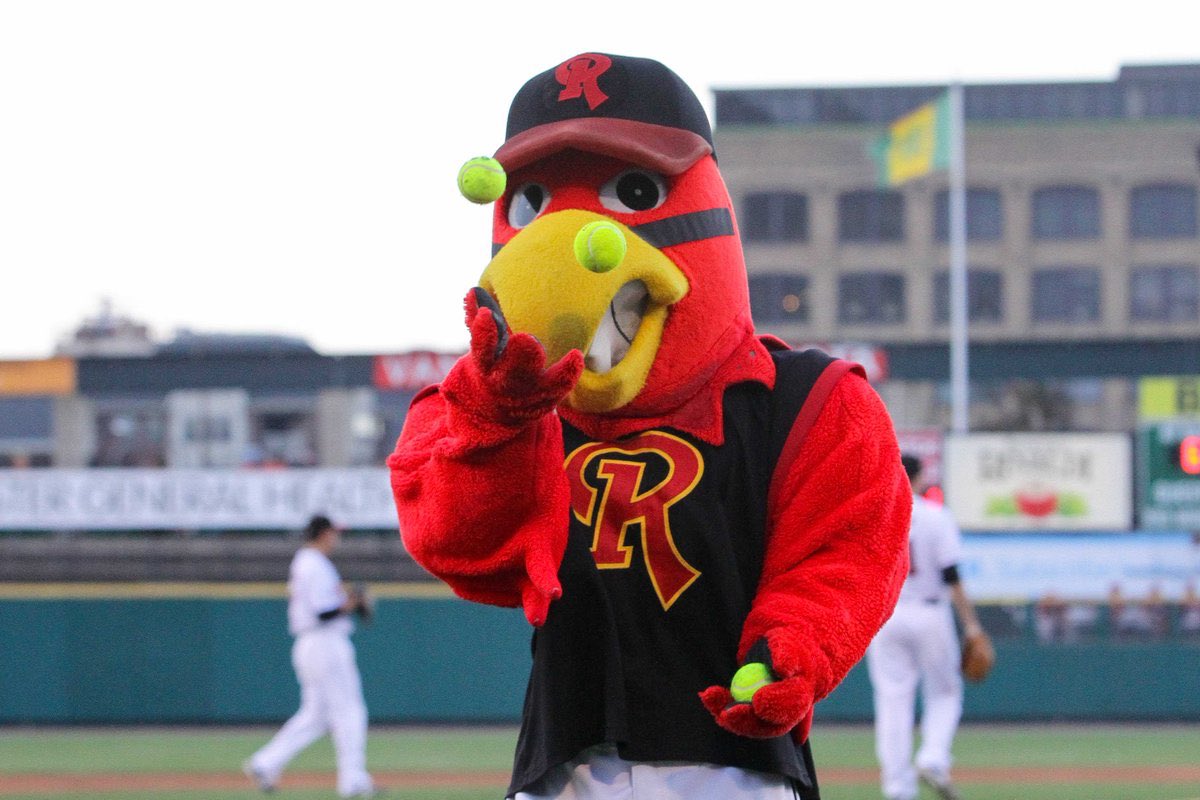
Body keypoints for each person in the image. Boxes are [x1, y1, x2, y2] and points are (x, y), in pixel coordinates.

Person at [866, 454, 986, 800]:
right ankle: (933, 757)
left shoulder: (877, 513)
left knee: (892, 702)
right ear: (919, 477)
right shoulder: (936, 516)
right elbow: (951, 575)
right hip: (930, 612)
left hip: (886, 615)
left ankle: (897, 789)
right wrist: (972, 626)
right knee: (945, 692)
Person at [244, 514, 377, 798]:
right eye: (334, 532)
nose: (337, 538)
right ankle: (353, 780)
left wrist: (348, 602)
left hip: (312, 644)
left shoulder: (309, 563)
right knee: (350, 711)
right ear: (324, 533)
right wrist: (352, 602)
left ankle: (266, 763)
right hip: (324, 642)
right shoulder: (314, 564)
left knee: (316, 716)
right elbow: (323, 612)